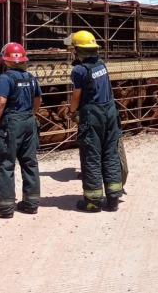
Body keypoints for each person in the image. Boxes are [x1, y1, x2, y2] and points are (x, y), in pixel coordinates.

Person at [65, 30, 124, 212]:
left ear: (77, 50)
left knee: (91, 156)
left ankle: (93, 201)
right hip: (110, 113)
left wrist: (71, 111)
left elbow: (76, 97)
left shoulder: (79, 70)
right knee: (110, 154)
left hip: (93, 116)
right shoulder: (101, 64)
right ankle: (113, 199)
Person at [0, 42, 42, 218]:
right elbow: (38, 100)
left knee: (6, 164)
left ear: (6, 60)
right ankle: (31, 204)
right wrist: (30, 115)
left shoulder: (6, 78)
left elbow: (1, 102)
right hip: (28, 121)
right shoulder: (31, 78)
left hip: (12, 123)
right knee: (30, 162)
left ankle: (4, 208)